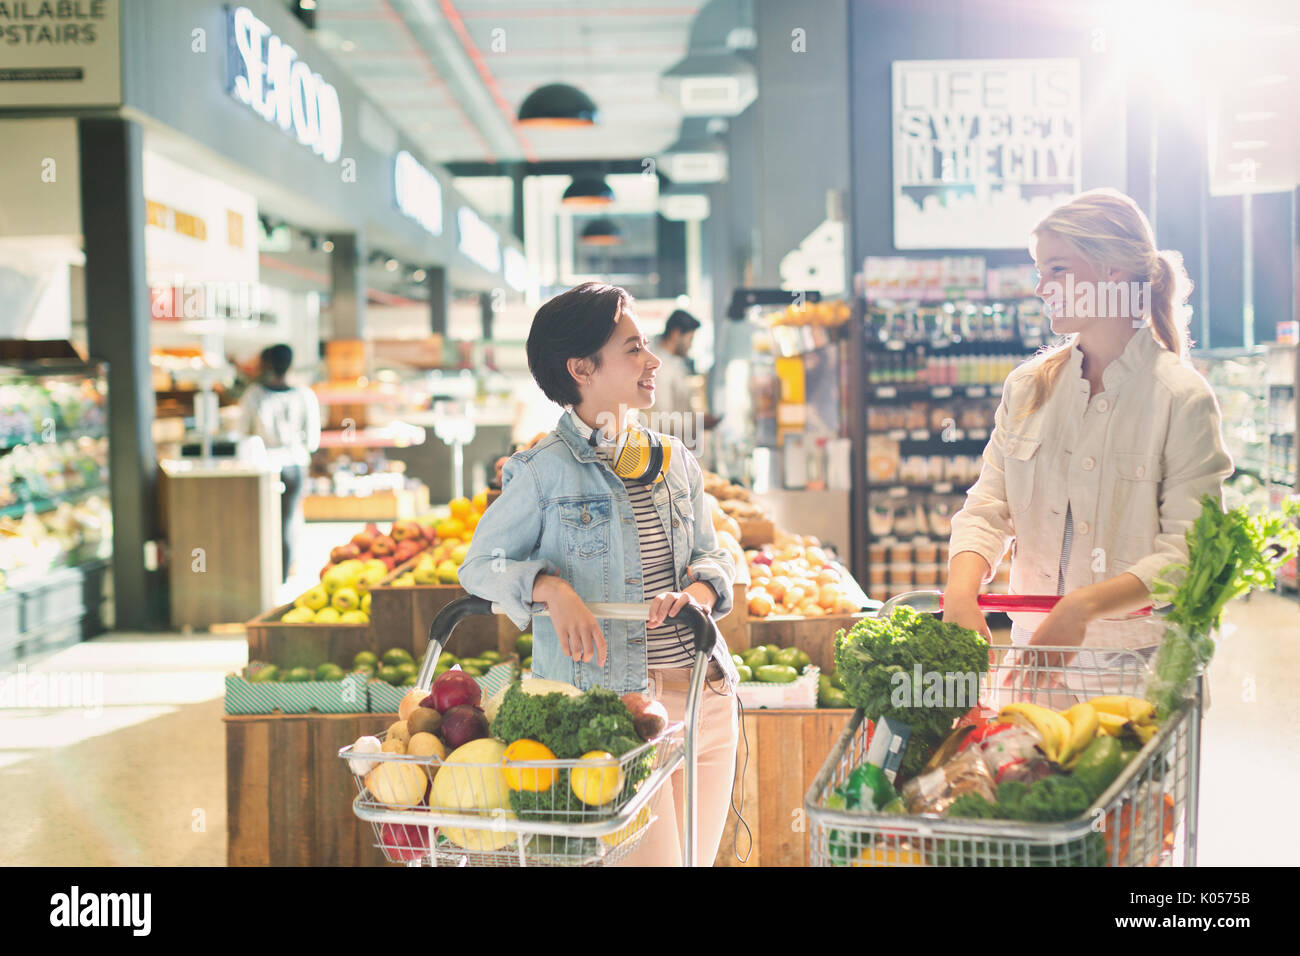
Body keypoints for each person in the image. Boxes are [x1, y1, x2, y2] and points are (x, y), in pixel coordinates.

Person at [459, 282, 740, 866]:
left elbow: (715, 557)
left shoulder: (675, 459)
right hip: (614, 716)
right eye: (633, 348)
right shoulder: (540, 473)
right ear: (582, 367)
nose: (652, 360)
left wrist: (697, 591)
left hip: (704, 694)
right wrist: (549, 588)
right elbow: (480, 567)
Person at [943, 189, 1233, 688]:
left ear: (1112, 273)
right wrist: (961, 590)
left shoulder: (1179, 398)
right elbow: (989, 506)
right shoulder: (1029, 388)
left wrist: (1084, 606)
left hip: (1136, 672)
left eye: (1057, 269)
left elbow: (1188, 551)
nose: (1040, 288)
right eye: (1040, 272)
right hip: (1032, 657)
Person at [239, 344, 322, 583]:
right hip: (295, 463)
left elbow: (244, 432)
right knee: (290, 518)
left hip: (264, 466)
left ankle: (266, 572)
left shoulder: (254, 395)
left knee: (263, 520)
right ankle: (286, 572)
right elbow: (313, 440)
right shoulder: (304, 395)